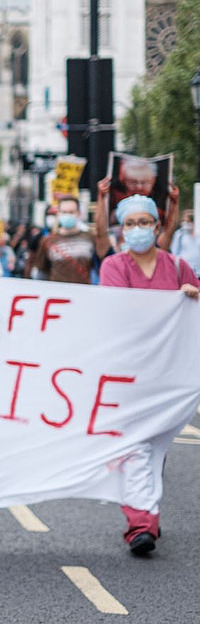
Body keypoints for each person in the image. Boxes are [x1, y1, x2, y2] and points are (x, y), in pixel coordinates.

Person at [99, 194, 199, 556]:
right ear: (121, 230)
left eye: (144, 223)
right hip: (128, 373)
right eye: (130, 224)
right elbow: (116, 310)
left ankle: (146, 507)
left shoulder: (177, 267)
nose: (137, 230)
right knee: (134, 447)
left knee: (156, 448)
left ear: (158, 227)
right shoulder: (113, 266)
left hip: (169, 374)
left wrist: (193, 295)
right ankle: (141, 524)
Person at [31, 196, 104, 284]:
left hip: (84, 293)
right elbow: (41, 272)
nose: (68, 215)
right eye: (64, 212)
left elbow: (99, 268)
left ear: (78, 213)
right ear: (59, 213)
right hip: (57, 294)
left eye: (71, 212)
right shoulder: (47, 241)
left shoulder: (90, 238)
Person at [170, 209, 200, 276]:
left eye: (188, 221)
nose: (185, 223)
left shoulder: (198, 235)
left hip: (198, 271)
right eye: (183, 221)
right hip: (184, 271)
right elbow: (174, 251)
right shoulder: (179, 234)